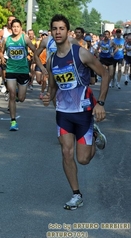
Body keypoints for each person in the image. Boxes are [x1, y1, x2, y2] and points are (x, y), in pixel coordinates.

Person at [42, 14, 109, 211]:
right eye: (54, 29)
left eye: (61, 28)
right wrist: (48, 95)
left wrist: (101, 103)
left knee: (83, 159)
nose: (58, 32)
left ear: (68, 31)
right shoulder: (52, 60)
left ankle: (94, 134)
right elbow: (54, 88)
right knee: (66, 152)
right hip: (63, 112)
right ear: (51, 32)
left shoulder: (81, 53)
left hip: (83, 111)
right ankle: (76, 194)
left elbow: (104, 74)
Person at [1, 19, 37, 131]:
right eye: (14, 26)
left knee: (21, 98)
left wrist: (33, 61)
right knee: (11, 94)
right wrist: (2, 59)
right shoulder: (7, 40)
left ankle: (17, 93)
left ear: (21, 28)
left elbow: (35, 49)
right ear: (11, 28)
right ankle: (13, 121)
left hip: (23, 71)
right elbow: (1, 52)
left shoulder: (24, 38)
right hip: (11, 69)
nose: (16, 28)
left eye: (18, 26)